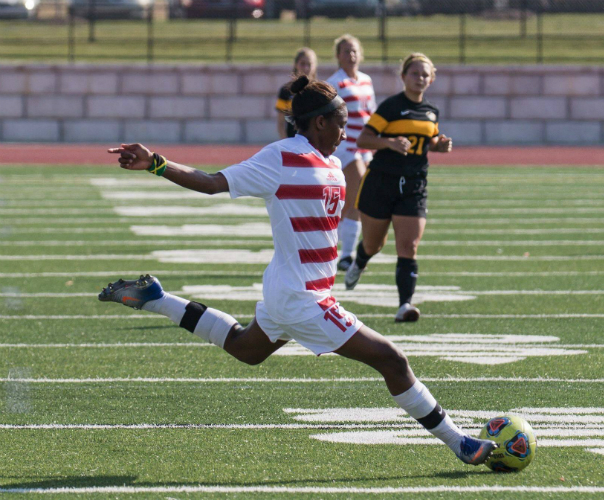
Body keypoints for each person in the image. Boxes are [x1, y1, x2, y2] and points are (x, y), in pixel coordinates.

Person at [100, 75, 496, 466]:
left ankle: (157, 299)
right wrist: (156, 164)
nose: (346, 131)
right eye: (341, 123)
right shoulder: (280, 157)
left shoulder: (333, 163)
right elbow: (211, 182)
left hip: (294, 289)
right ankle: (459, 442)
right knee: (391, 359)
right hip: (302, 297)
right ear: (320, 122)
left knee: (244, 348)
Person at [345, 53, 452, 323]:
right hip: (381, 182)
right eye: (414, 73)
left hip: (414, 185)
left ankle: (405, 305)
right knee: (374, 244)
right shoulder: (391, 107)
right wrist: (390, 143)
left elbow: (429, 140)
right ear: (403, 76)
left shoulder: (431, 111)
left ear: (432, 79)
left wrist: (439, 145)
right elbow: (364, 138)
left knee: (409, 246)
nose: (420, 79)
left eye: (425, 75)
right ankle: (360, 261)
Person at [326, 34, 377, 272]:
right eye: (346, 51)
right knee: (358, 188)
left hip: (366, 145)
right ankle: (329, 247)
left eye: (354, 51)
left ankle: (346, 254)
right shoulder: (335, 82)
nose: (351, 55)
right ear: (338, 56)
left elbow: (372, 112)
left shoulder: (366, 80)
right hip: (346, 146)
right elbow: (330, 116)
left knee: (357, 200)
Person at [276, 47, 318, 140]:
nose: (306, 68)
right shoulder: (286, 90)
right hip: (293, 140)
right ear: (296, 65)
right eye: (302, 64)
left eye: (309, 64)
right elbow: (280, 123)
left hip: (313, 143)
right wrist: (286, 142)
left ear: (315, 66)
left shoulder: (319, 90)